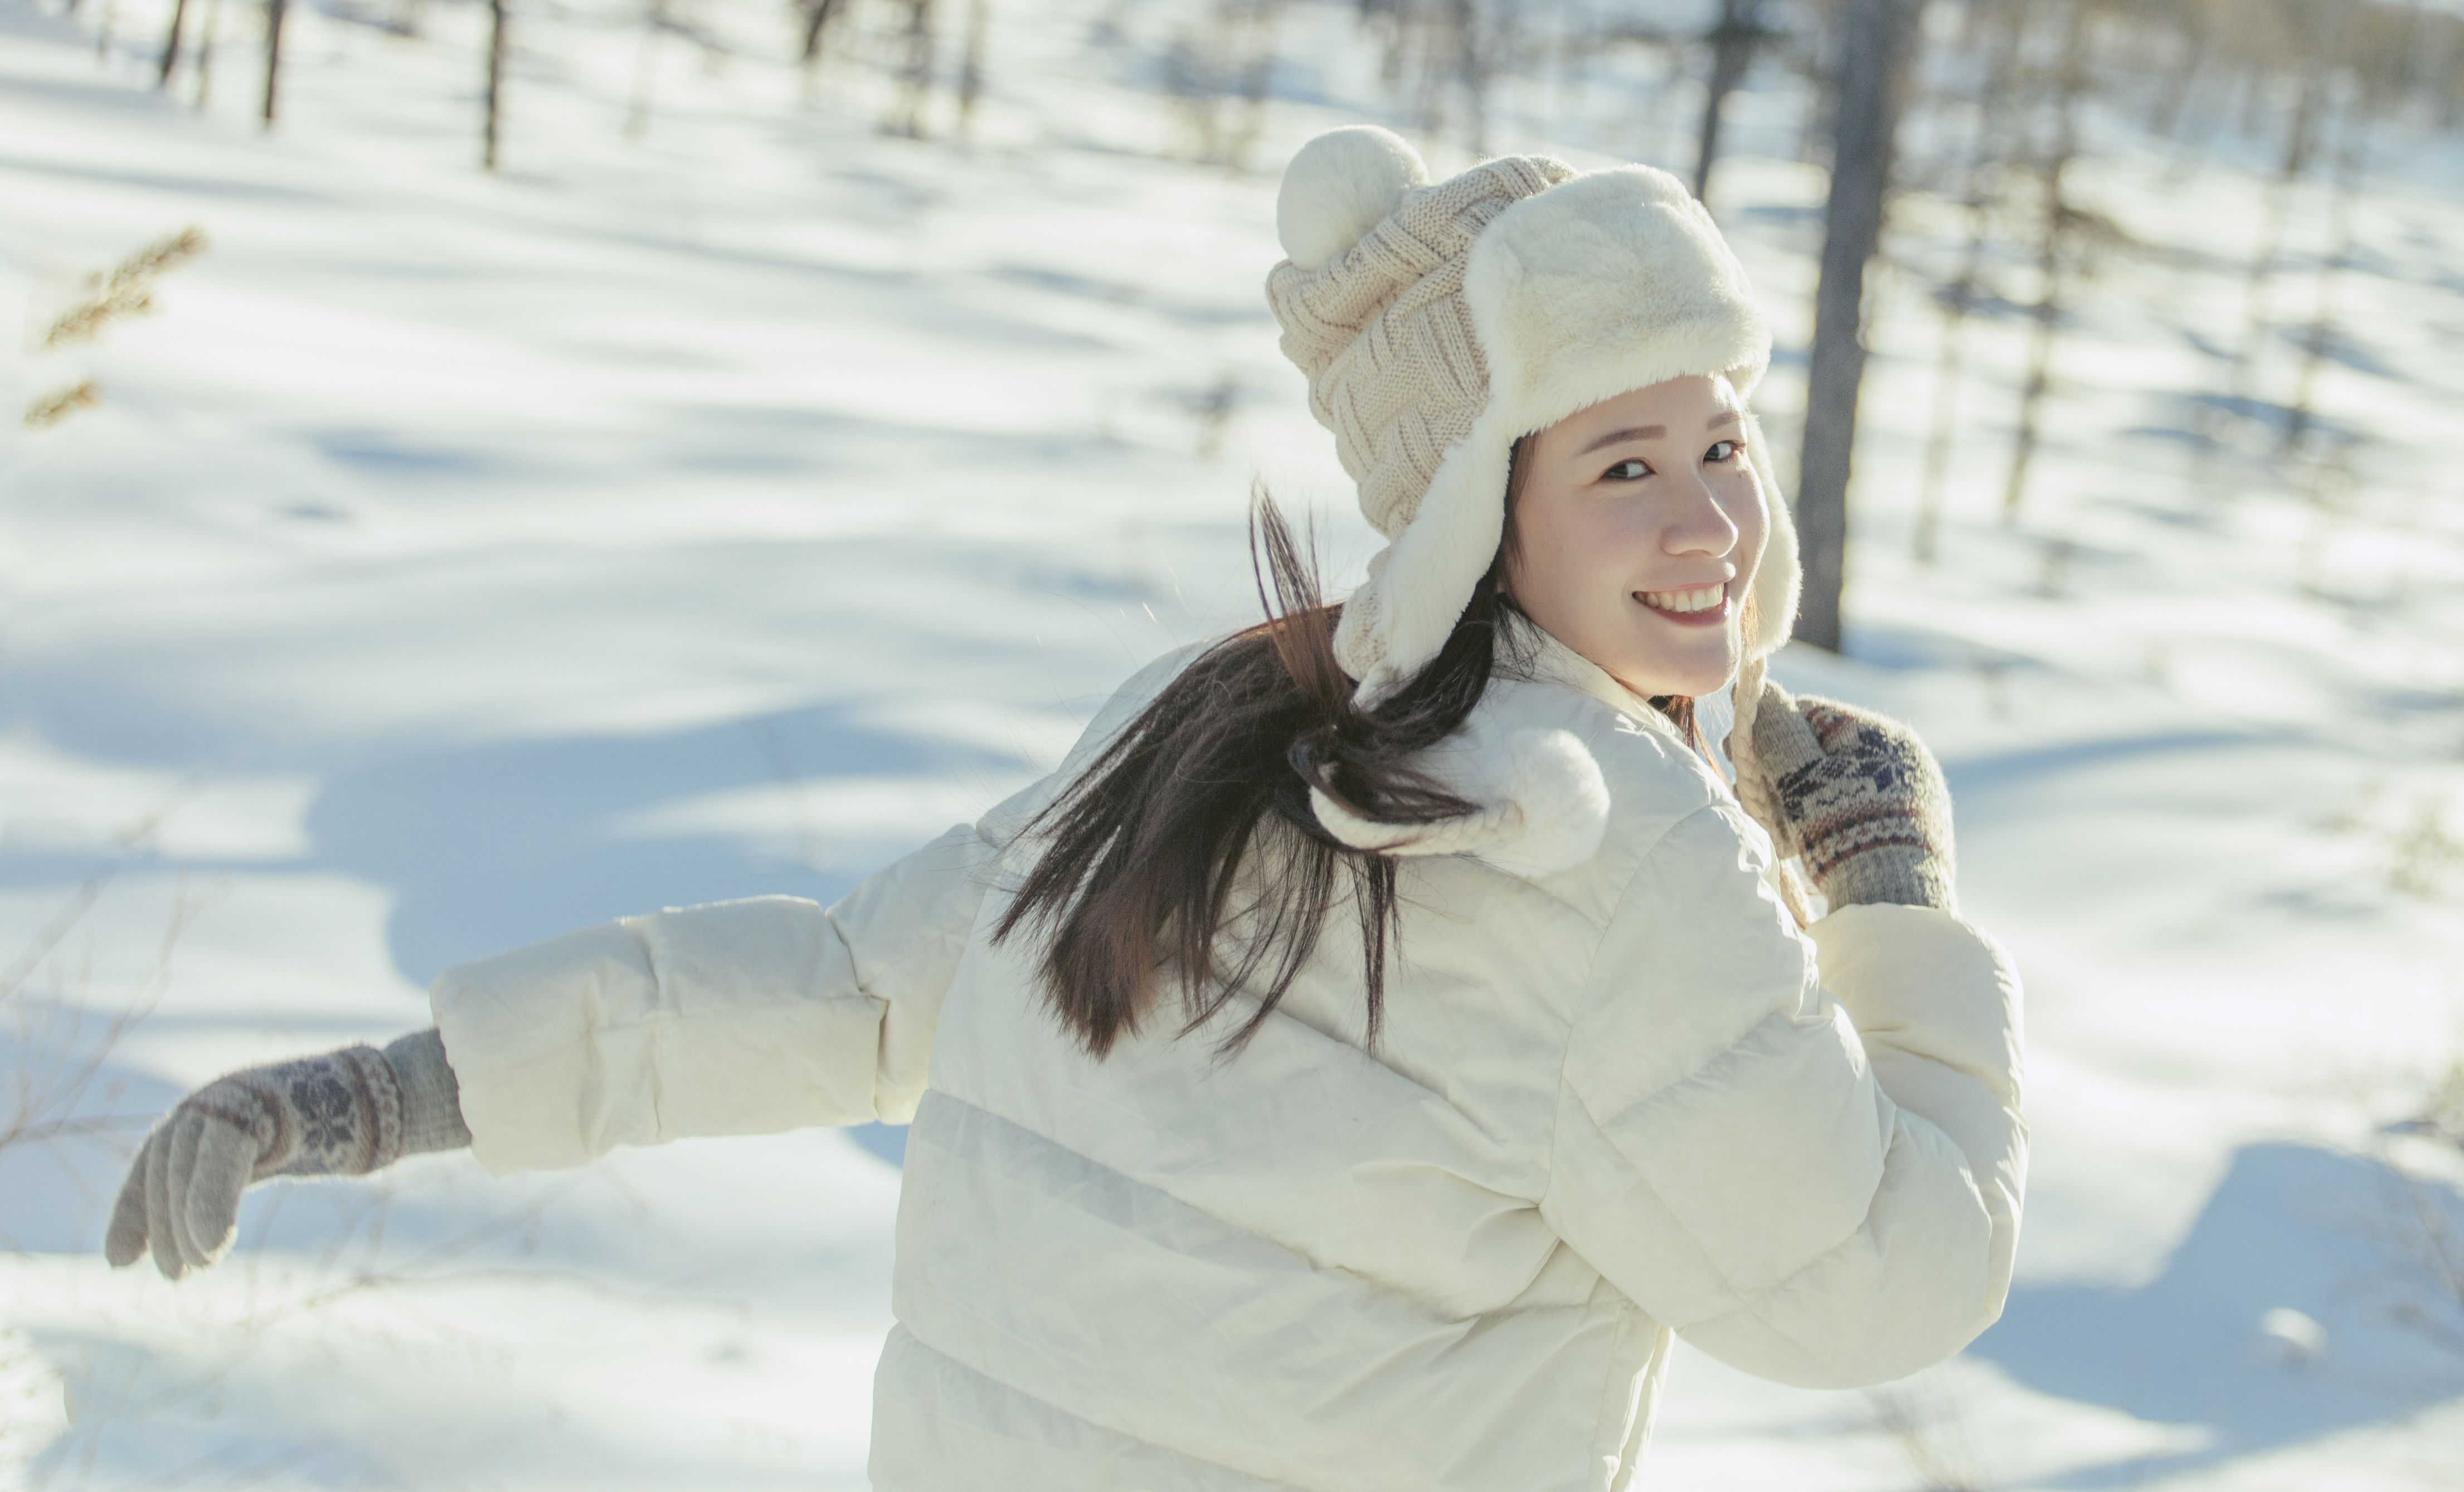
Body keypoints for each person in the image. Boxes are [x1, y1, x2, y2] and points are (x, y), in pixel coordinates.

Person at [103, 127, 2026, 1492]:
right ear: (1474, 503)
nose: (1708, 522)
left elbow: (860, 989)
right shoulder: (1617, 850)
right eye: (1623, 462)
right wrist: (1888, 890)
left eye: (1723, 443)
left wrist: (400, 1089)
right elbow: (1879, 1281)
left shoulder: (1215, 723)